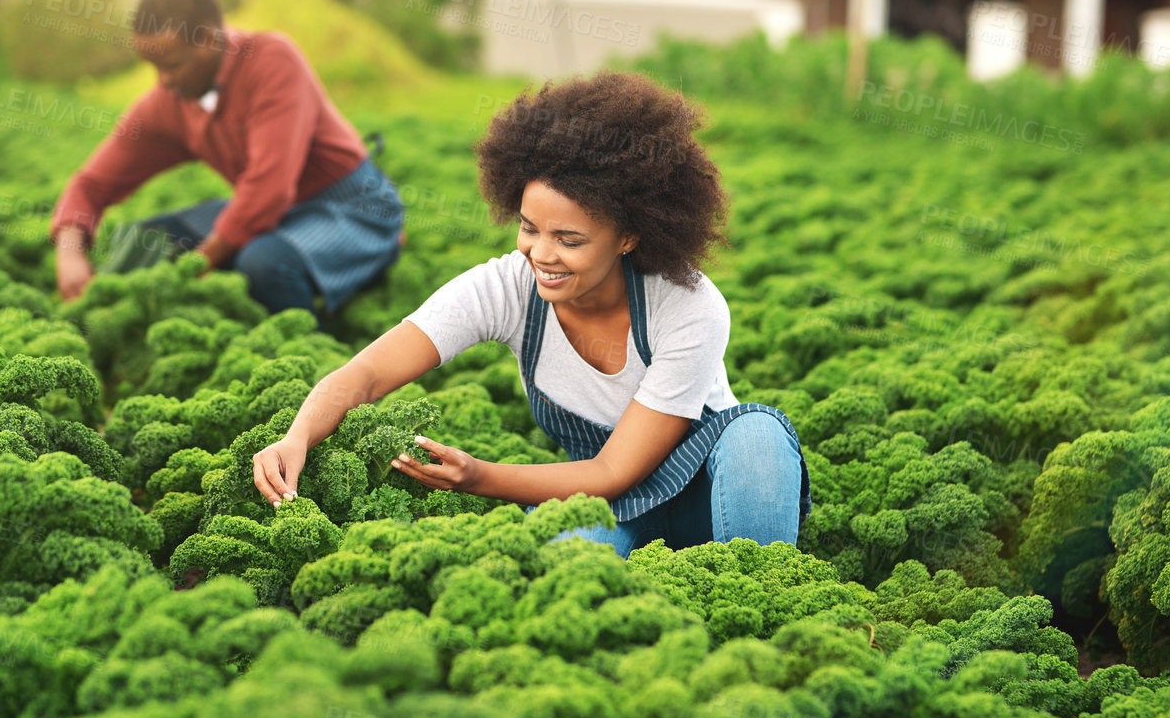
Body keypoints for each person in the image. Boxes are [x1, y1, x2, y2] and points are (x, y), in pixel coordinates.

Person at [251, 72, 812, 555]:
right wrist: (298, 436)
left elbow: (615, 469)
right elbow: (367, 375)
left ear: (629, 236)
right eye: (528, 227)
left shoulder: (688, 305)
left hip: (706, 496)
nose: (541, 254)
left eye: (569, 239)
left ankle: (763, 601)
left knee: (757, 432)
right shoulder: (507, 287)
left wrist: (480, 478)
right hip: (602, 505)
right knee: (564, 562)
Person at [51, 0, 405, 319]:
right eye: (154, 67)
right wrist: (69, 252)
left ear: (207, 39)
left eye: (171, 65)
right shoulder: (169, 101)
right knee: (145, 243)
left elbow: (270, 190)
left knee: (263, 262)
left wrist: (198, 265)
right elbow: (92, 183)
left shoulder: (272, 61)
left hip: (351, 207)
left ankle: (312, 344)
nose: (163, 81)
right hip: (273, 217)